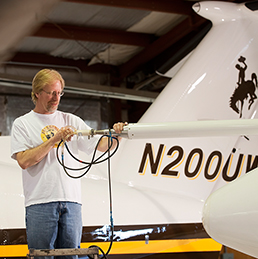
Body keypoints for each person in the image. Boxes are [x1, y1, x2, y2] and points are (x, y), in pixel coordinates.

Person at [10, 68, 126, 258]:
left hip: (72, 201)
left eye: (59, 93)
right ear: (37, 93)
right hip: (40, 202)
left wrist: (118, 133)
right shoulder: (22, 123)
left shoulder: (71, 120)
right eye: (50, 93)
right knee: (42, 256)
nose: (56, 98)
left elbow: (102, 145)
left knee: (72, 255)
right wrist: (53, 140)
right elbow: (24, 161)